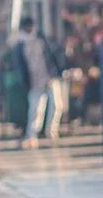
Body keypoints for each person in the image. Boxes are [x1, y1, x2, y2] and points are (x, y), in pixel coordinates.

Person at [10, 17, 64, 147]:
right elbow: (20, 66)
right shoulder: (20, 45)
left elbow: (53, 54)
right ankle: (32, 135)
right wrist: (25, 83)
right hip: (34, 81)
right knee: (35, 110)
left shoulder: (42, 38)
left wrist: (58, 71)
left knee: (57, 105)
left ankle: (52, 131)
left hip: (50, 78)